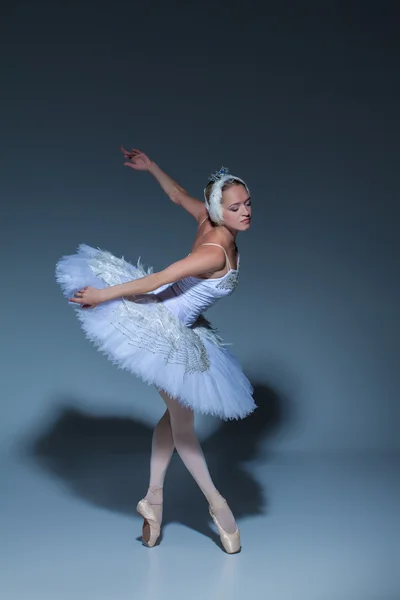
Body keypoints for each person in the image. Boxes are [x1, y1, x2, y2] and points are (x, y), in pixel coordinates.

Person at [55, 147, 257, 553]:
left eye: (248, 203)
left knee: (173, 420)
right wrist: (103, 295)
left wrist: (152, 167)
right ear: (219, 212)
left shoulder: (206, 217)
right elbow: (160, 278)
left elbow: (177, 194)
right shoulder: (213, 251)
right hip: (161, 325)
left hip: (186, 326)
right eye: (236, 207)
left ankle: (154, 499)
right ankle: (218, 507)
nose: (245, 212)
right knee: (184, 429)